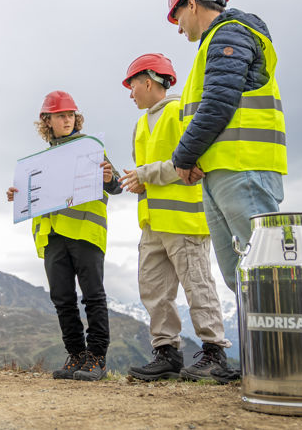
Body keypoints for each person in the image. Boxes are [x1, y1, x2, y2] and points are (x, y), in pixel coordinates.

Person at [167, 0, 286, 293]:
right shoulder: (216, 43)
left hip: (243, 168)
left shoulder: (230, 34)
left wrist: (183, 156)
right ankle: (260, 345)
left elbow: (219, 102)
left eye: (176, 16)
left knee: (266, 272)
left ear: (192, 5)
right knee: (242, 279)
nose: (178, 28)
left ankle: (284, 344)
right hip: (222, 172)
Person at [118, 54, 232, 382]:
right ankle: (166, 352)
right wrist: (138, 178)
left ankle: (215, 354)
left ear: (149, 82)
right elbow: (151, 172)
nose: (131, 93)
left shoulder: (180, 110)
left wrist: (145, 173)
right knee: (154, 288)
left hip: (184, 220)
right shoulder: (142, 123)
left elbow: (191, 158)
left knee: (197, 285)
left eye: (132, 85)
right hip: (153, 223)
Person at [6, 92, 123, 381]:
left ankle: (97, 359)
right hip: (52, 235)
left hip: (85, 231)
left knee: (93, 296)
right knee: (62, 299)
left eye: (70, 114)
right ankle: (76, 356)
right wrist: (18, 194)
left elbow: (117, 185)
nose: (67, 120)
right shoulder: (41, 160)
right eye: (60, 115)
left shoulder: (90, 148)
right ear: (47, 121)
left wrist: (108, 178)